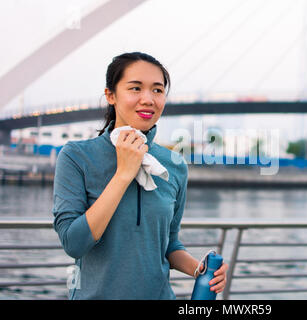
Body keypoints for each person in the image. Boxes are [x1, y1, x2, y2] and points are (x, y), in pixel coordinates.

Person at [52, 52, 228, 299]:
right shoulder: (76, 157)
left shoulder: (174, 165)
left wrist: (200, 270)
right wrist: (123, 174)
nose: (148, 99)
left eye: (157, 90)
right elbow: (74, 244)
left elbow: (169, 245)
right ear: (110, 95)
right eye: (135, 88)